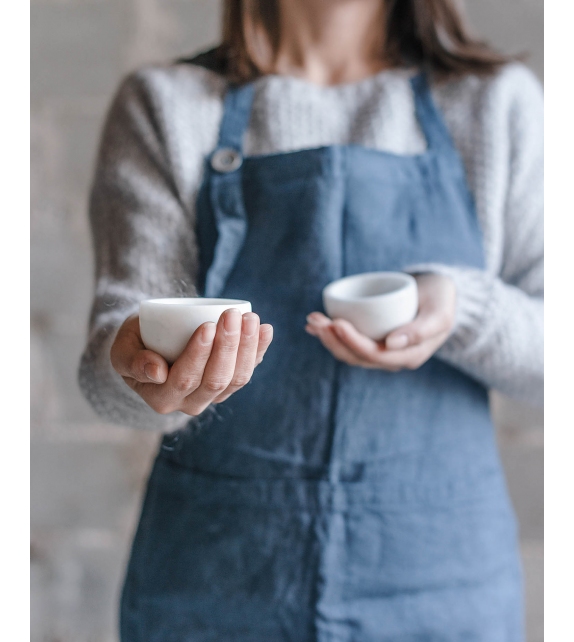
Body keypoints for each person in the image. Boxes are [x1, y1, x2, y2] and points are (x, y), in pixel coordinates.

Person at [78, 0, 543, 639]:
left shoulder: (493, 104)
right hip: (216, 580)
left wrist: (461, 305)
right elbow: (114, 364)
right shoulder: (167, 103)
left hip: (439, 585)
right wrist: (143, 375)